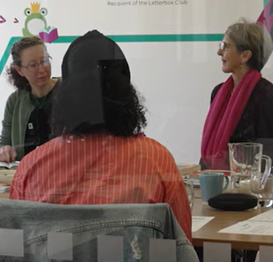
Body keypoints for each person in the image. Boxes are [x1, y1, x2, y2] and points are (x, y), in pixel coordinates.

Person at [10, 30, 192, 239]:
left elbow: (16, 250)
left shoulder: (31, 167)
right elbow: (182, 248)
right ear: (126, 94)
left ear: (65, 96)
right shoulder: (158, 161)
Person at [200, 19, 273, 170]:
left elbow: (267, 155)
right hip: (215, 178)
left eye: (225, 46)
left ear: (245, 56)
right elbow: (209, 146)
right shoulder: (218, 92)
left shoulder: (265, 93)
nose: (219, 52)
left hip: (248, 184)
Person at [0, 37, 58, 163]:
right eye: (33, 65)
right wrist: (4, 150)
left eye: (44, 61)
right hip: (26, 175)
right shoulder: (15, 101)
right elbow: (3, 144)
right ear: (20, 70)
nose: (41, 69)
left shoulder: (69, 91)